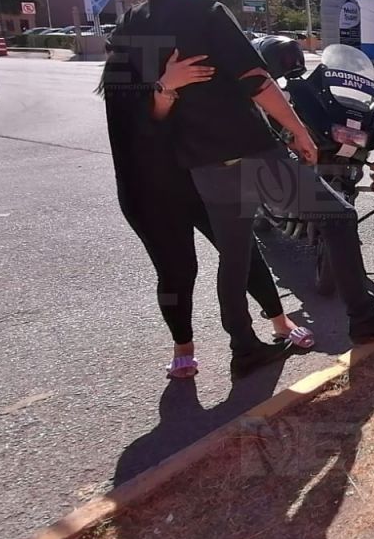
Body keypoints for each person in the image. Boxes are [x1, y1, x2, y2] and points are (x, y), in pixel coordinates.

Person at [111, 0, 374, 377]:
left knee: (235, 256)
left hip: (201, 166)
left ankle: (244, 348)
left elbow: (140, 106)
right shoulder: (208, 14)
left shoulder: (132, 24)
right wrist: (298, 133)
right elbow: (258, 80)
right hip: (251, 154)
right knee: (338, 215)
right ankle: (366, 321)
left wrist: (166, 88)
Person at [102, 36, 314, 379]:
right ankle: (183, 349)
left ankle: (279, 320)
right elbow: (143, 131)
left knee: (242, 250)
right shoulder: (125, 71)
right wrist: (165, 87)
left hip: (200, 177)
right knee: (176, 271)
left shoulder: (181, 57)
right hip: (149, 192)